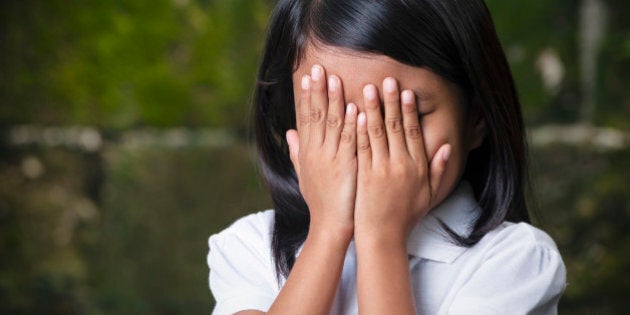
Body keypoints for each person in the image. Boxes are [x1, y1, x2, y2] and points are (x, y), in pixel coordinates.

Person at [207, 0, 566, 314]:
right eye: (335, 116)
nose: (369, 145)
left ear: (475, 119)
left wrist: (381, 237)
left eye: (404, 117)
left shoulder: (514, 261)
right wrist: (328, 230)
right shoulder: (251, 246)